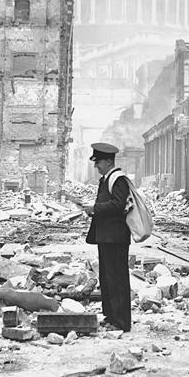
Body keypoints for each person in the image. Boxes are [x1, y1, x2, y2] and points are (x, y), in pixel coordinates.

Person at [82, 142, 132, 332]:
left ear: (109, 161)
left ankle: (121, 322)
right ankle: (110, 316)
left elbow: (118, 205)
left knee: (117, 278)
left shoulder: (118, 179)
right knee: (107, 278)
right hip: (106, 236)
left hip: (116, 237)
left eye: (99, 162)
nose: (96, 166)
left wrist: (95, 209)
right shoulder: (106, 179)